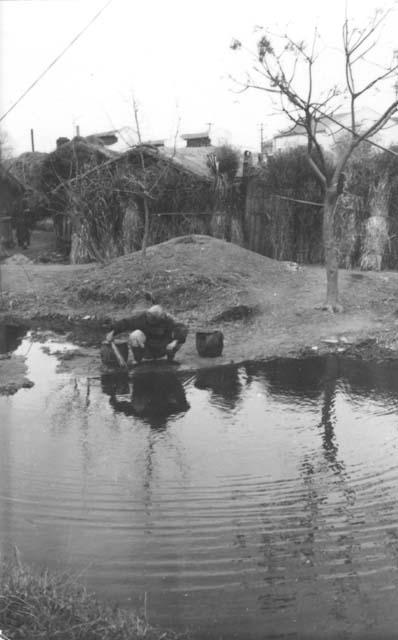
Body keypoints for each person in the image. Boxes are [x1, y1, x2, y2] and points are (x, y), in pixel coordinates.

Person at [105, 304, 188, 364]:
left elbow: (182, 328)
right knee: (135, 335)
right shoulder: (142, 317)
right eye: (148, 316)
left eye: (153, 318)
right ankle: (138, 360)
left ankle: (170, 359)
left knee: (179, 338)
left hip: (164, 347)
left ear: (160, 317)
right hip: (147, 348)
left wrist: (175, 341)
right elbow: (126, 322)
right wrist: (113, 331)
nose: (149, 319)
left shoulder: (168, 319)